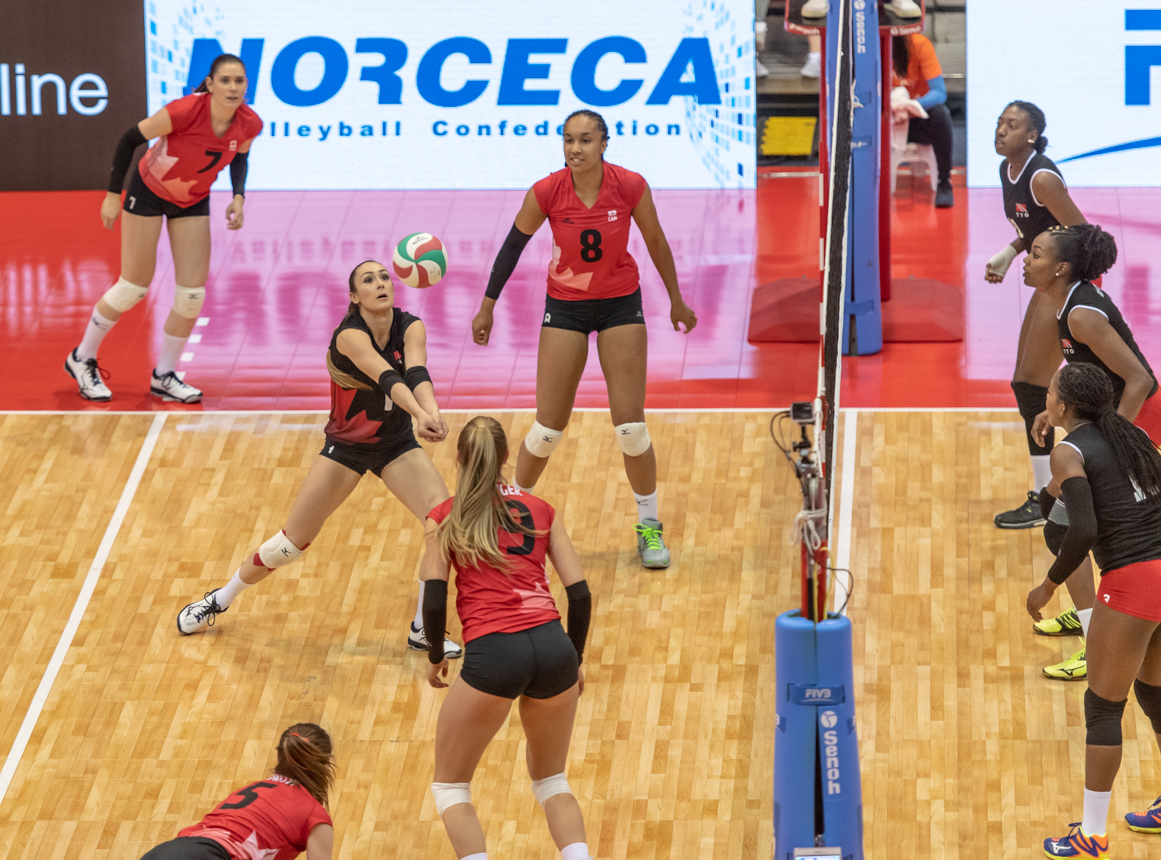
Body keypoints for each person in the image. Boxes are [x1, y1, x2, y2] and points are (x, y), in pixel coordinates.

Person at [176, 260, 462, 658]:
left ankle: (423, 628)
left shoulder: (410, 325)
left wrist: (431, 412)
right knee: (289, 545)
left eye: (384, 277)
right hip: (346, 448)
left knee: (444, 523)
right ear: (353, 296)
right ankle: (221, 598)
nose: (380, 284)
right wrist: (420, 415)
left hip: (396, 444)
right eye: (368, 280)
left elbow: (415, 372)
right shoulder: (349, 336)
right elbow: (387, 377)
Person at [470, 110, 698, 570]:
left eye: (586, 141)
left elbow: (656, 242)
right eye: (569, 140)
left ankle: (649, 527)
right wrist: (488, 305)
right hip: (566, 307)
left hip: (619, 304)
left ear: (604, 143)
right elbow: (511, 248)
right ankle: (512, 512)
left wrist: (677, 300)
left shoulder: (630, 185)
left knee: (631, 429)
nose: (576, 149)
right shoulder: (546, 191)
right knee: (548, 429)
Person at [420, 416, 593, 860]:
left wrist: (436, 654)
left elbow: (435, 595)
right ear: (505, 458)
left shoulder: (444, 516)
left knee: (451, 786)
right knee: (553, 781)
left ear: (458, 459)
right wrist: (574, 659)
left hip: (494, 653)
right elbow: (579, 592)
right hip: (554, 647)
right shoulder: (541, 509)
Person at [65, 54, 263, 404]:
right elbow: (129, 140)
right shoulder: (185, 111)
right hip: (149, 192)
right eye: (226, 80)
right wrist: (113, 195)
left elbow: (240, 157)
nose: (234, 88)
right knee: (132, 287)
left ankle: (164, 376)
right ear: (211, 83)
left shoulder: (249, 123)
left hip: (193, 200)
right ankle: (81, 358)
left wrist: (238, 197)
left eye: (240, 81)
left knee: (191, 296)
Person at [1025, 363, 1161, 858]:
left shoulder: (1069, 451)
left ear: (1063, 407)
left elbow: (1079, 530)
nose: (1047, 399)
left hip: (1132, 583)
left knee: (1103, 708)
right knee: (1155, 695)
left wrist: (1047, 587)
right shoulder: (1132, 436)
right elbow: (1062, 511)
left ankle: (1092, 832)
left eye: (1051, 393)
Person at [1021, 224, 1160, 682]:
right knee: (1060, 525)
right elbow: (1082, 365)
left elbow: (1140, 379)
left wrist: (1110, 440)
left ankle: (1096, 636)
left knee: (1071, 527)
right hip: (1111, 421)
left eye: (1036, 253)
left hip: (1139, 424)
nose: (1026, 258)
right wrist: (1056, 408)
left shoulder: (1080, 313)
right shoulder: (1065, 301)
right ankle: (1089, 624)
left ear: (1060, 268)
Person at [986, 101, 1089, 530]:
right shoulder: (1007, 171)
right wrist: (1012, 252)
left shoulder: (1042, 176)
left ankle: (1049, 501)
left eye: (1013, 126)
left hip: (1065, 285)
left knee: (1032, 388)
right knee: (1028, 386)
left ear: (1031, 136)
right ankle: (1060, 491)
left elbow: (1082, 234)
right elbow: (1034, 229)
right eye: (999, 123)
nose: (1002, 131)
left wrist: (1071, 292)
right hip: (1049, 282)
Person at [138, 723, 335, 860]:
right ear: (324, 764)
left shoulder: (254, 788)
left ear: (279, 755)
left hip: (165, 851)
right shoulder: (315, 816)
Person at [891, 33, 954, 208]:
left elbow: (939, 92)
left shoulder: (919, 44)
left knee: (941, 115)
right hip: (889, 122)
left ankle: (944, 183)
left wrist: (911, 106)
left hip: (916, 121)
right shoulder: (871, 48)